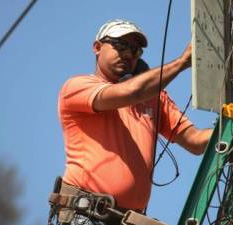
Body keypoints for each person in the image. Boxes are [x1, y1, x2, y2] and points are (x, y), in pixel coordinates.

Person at [56, 19, 212, 225]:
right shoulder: (78, 87)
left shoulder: (154, 98)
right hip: (87, 216)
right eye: (120, 45)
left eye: (135, 50)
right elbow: (131, 92)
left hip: (129, 220)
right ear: (97, 47)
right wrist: (182, 62)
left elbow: (195, 142)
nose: (128, 54)